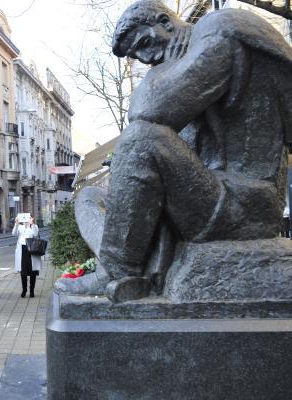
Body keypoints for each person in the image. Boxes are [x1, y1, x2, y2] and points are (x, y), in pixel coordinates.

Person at [89, 0, 292, 300]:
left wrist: (165, 71)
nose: (147, 58)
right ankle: (129, 259)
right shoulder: (188, 54)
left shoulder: (219, 30)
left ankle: (119, 272)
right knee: (90, 199)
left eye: (145, 42)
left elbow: (150, 111)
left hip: (245, 202)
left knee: (140, 140)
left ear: (166, 23)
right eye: (137, 54)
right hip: (211, 194)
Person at [13, 213, 41, 298]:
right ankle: (24, 289)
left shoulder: (34, 226)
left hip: (32, 250)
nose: (27, 219)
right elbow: (14, 233)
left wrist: (31, 224)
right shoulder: (20, 227)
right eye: (25, 218)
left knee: (33, 271)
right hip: (22, 250)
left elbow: (35, 235)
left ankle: (32, 290)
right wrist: (17, 223)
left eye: (29, 217)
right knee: (23, 272)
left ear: (32, 218)